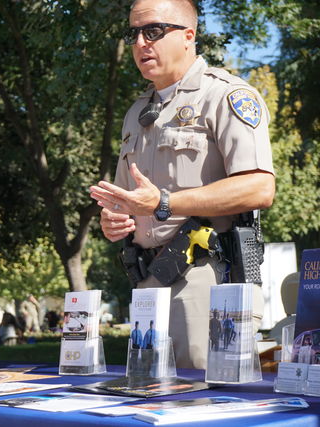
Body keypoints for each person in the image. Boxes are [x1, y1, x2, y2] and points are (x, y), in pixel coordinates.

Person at [89, 0, 274, 369]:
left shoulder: (226, 95)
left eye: (153, 31)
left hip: (206, 278)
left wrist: (164, 202)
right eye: (134, 33)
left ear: (189, 36)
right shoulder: (136, 113)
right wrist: (115, 221)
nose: (140, 43)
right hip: (146, 282)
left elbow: (259, 188)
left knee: (203, 403)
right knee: (148, 406)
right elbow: (130, 201)